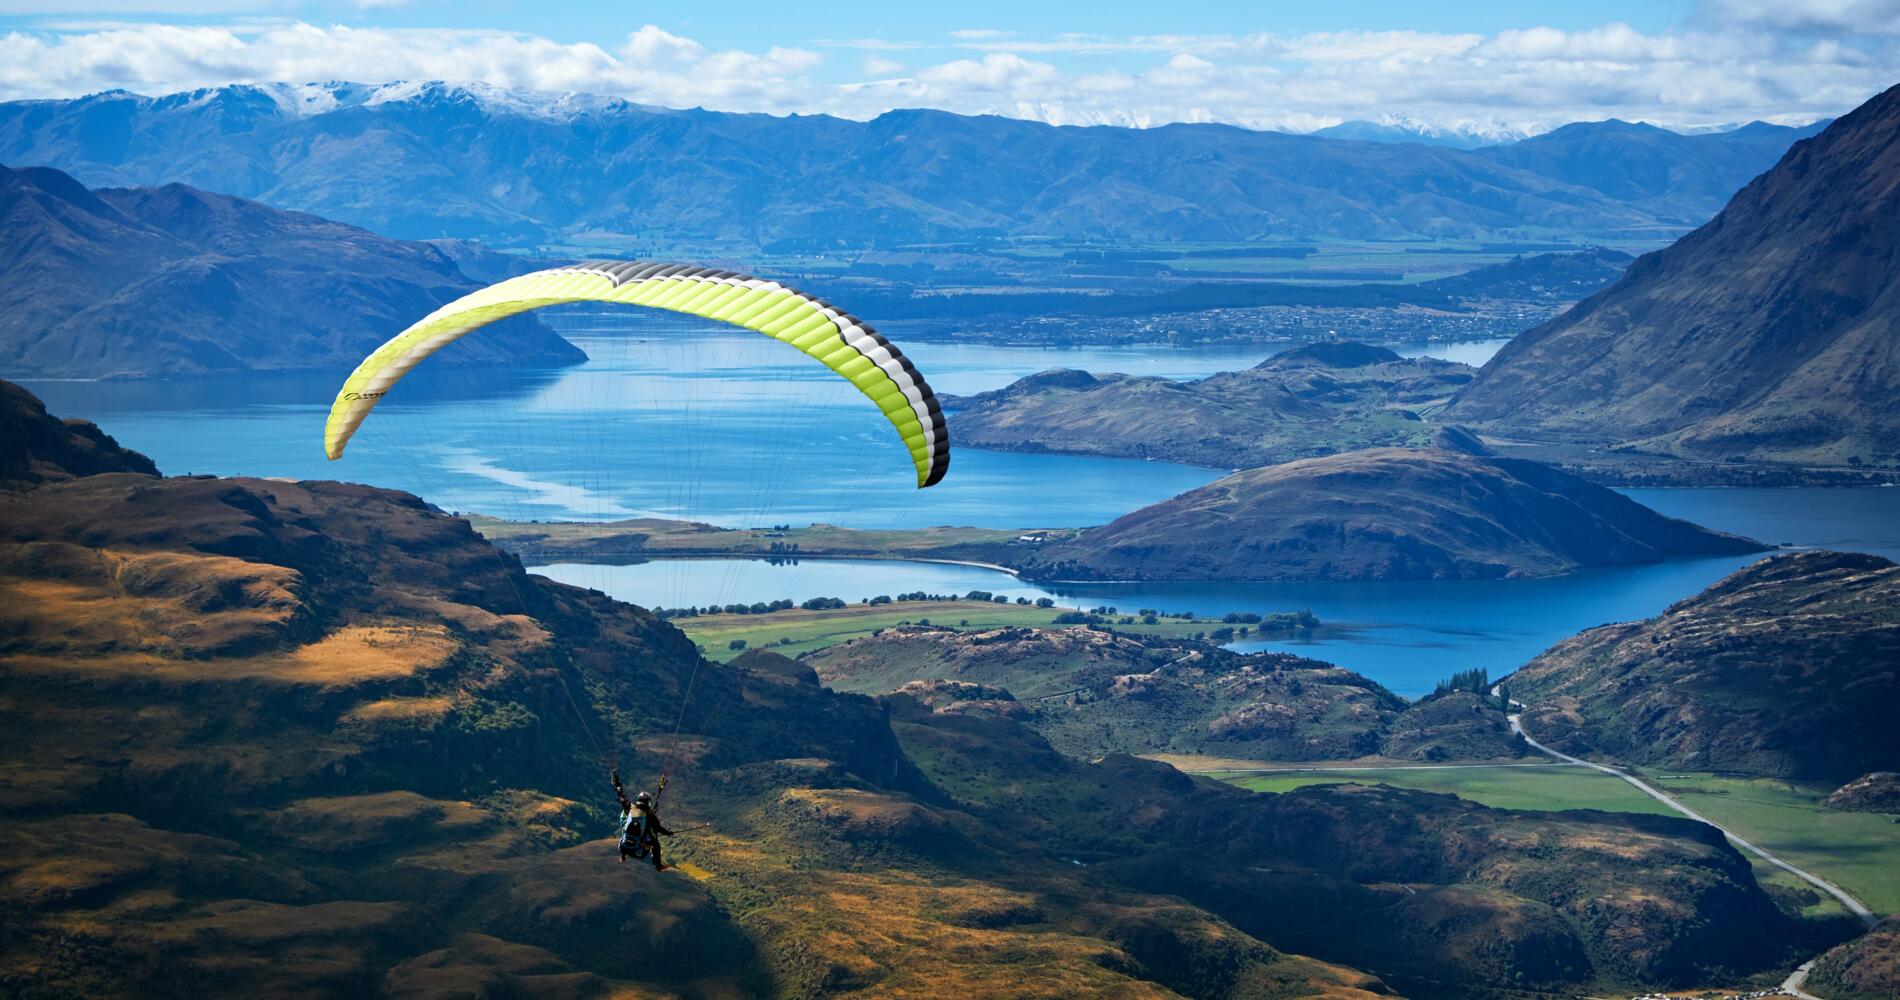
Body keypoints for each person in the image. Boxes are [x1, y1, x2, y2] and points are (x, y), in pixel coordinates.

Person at [612, 769, 673, 871]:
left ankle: (623, 854)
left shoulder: (630, 806)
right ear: (648, 803)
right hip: (639, 847)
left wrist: (617, 783)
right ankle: (658, 865)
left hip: (624, 843)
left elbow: (621, 795)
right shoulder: (651, 816)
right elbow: (659, 829)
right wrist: (669, 833)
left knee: (624, 817)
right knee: (655, 842)